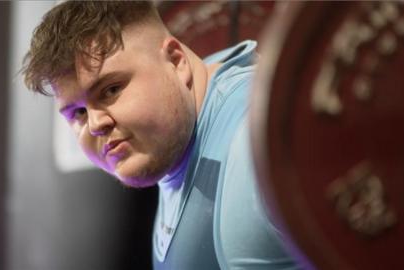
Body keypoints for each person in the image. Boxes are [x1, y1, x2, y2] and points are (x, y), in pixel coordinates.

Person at [22, 1, 300, 269]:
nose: (96, 124)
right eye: (78, 113)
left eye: (111, 89)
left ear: (176, 61)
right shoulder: (177, 130)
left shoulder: (251, 149)